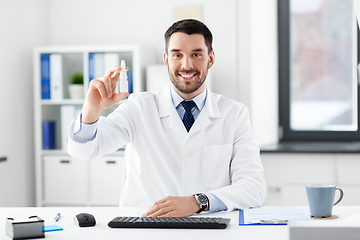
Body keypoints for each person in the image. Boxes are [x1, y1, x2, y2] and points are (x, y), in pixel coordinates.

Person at [67, 19, 267, 217]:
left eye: (196, 54)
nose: (186, 65)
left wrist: (198, 201)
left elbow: (253, 188)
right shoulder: (139, 107)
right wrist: (91, 111)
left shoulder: (235, 114)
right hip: (145, 228)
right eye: (177, 55)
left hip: (208, 229)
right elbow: (84, 150)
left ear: (211, 58)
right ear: (166, 59)